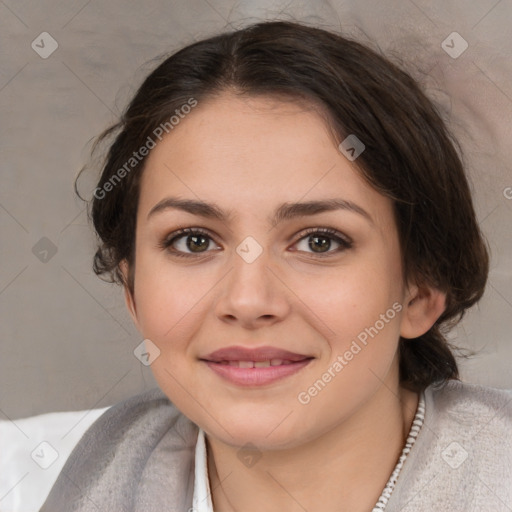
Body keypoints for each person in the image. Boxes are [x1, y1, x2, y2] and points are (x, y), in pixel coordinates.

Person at [40, 20, 512, 512]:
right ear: (131, 287)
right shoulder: (29, 475)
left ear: (420, 290)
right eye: (194, 240)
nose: (247, 301)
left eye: (320, 242)